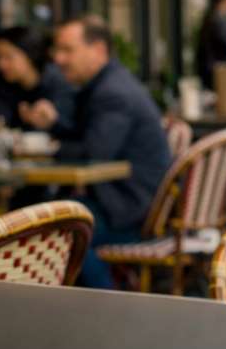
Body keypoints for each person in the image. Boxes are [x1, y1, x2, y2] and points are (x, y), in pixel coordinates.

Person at [21, 16, 172, 290]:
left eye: (68, 50)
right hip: (124, 200)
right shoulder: (106, 84)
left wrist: (48, 147)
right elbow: (90, 139)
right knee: (44, 221)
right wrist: (54, 125)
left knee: (59, 234)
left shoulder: (113, 92)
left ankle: (107, 308)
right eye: (57, 50)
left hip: (130, 210)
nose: (58, 59)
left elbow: (94, 152)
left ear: (99, 50)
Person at [0, 26, 74, 130]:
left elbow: (72, 128)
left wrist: (53, 121)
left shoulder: (59, 82)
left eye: (8, 57)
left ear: (30, 54)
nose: (1, 64)